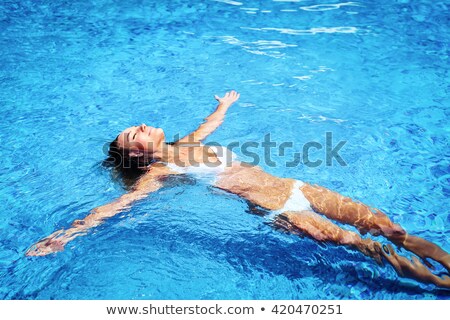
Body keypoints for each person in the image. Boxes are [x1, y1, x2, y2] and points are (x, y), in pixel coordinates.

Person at [26, 91, 450, 288]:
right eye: (132, 133)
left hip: (294, 186)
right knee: (360, 243)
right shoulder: (158, 174)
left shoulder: (183, 144)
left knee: (384, 225)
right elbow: (117, 207)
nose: (140, 125)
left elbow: (209, 127)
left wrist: (223, 105)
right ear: (138, 156)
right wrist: (66, 234)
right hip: (271, 206)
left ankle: (441, 260)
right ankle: (437, 283)